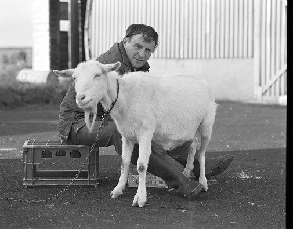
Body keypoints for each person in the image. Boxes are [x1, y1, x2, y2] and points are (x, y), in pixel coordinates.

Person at [58, 24, 233, 198]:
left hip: (107, 117)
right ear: (125, 41)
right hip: (77, 123)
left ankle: (197, 165)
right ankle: (179, 181)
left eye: (148, 50)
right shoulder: (108, 65)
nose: (142, 54)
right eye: (138, 46)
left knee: (158, 125)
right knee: (126, 132)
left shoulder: (138, 66)